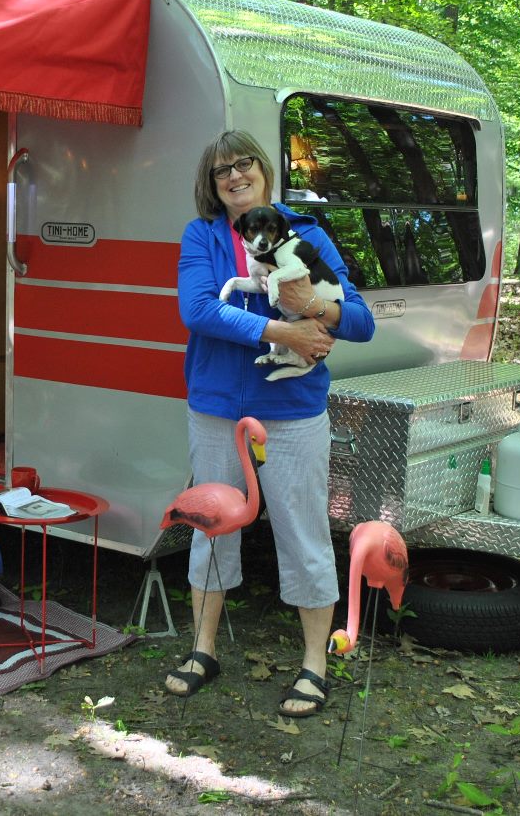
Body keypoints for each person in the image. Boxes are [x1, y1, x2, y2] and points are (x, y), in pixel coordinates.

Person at [165, 129, 374, 718]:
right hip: (216, 409)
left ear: (263, 171)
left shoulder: (307, 234)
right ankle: (203, 650)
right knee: (211, 526)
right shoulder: (202, 236)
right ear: (212, 187)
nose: (234, 176)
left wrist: (312, 308)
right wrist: (285, 332)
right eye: (221, 171)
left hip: (291, 411)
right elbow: (198, 309)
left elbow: (359, 321)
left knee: (303, 530)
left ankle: (314, 665)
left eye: (244, 164)